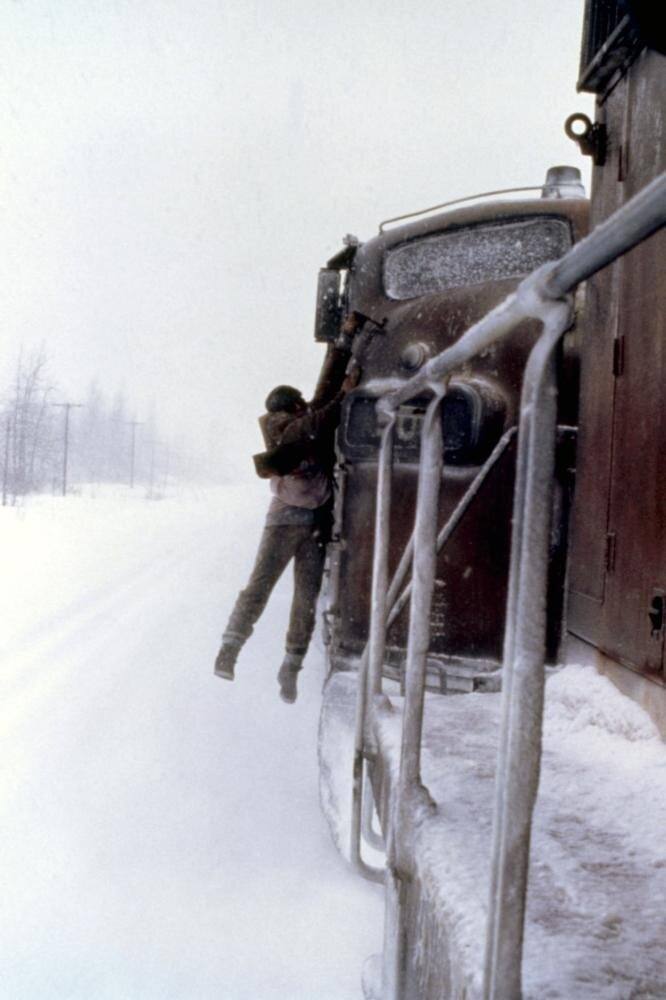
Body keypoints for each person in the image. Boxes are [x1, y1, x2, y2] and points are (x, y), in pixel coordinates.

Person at [214, 314, 363, 703]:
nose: (304, 406)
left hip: (305, 521)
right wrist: (347, 394)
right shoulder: (289, 427)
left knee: (295, 595)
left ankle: (288, 667)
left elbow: (323, 392)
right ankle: (231, 650)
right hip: (295, 522)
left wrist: (344, 342)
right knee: (276, 591)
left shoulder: (297, 423)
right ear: (290, 406)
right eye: (300, 404)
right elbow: (321, 416)